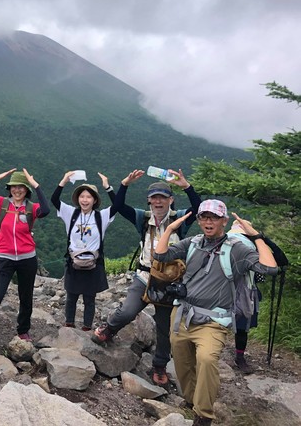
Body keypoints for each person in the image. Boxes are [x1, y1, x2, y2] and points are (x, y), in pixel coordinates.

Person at [153, 200, 278, 426]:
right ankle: (191, 401)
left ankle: (204, 415)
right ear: (199, 220)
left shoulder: (237, 249)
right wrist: (169, 229)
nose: (208, 222)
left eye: (214, 217)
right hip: (182, 314)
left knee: (206, 359)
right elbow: (160, 255)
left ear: (224, 221)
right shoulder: (192, 243)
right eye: (204, 217)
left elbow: (269, 268)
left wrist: (257, 237)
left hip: (213, 320)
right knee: (182, 362)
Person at [92, 168, 201, 387]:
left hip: (170, 280)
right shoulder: (143, 218)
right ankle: (110, 329)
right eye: (154, 198)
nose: (158, 202)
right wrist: (124, 183)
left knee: (164, 326)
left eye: (162, 197)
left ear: (170, 200)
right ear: (149, 201)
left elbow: (199, 209)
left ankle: (159, 365)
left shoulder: (181, 219)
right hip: (145, 274)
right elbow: (120, 207)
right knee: (128, 310)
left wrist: (186, 186)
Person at [0, 168, 50, 341]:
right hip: (4, 256)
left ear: (26, 189)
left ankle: (23, 330)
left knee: (26, 296)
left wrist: (36, 185)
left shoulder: (31, 208)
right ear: (9, 188)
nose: (17, 190)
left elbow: (46, 210)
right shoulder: (1, 203)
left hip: (27, 258)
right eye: (14, 186)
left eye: (21, 187)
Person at [51, 171, 116, 331]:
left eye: (88, 197)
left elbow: (118, 205)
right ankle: (69, 325)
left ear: (94, 200)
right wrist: (64, 181)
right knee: (71, 296)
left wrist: (108, 187)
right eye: (82, 196)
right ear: (78, 199)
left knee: (89, 298)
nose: (85, 200)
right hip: (73, 262)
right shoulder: (70, 213)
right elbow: (54, 200)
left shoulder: (102, 216)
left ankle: (87, 327)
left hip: (93, 263)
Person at [227, 219, 288, 374]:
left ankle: (238, 357)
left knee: (241, 327)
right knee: (241, 327)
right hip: (243, 291)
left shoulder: (253, 248)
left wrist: (260, 238)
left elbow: (281, 261)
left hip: (237, 290)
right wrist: (261, 239)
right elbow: (282, 261)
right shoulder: (249, 248)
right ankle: (238, 358)